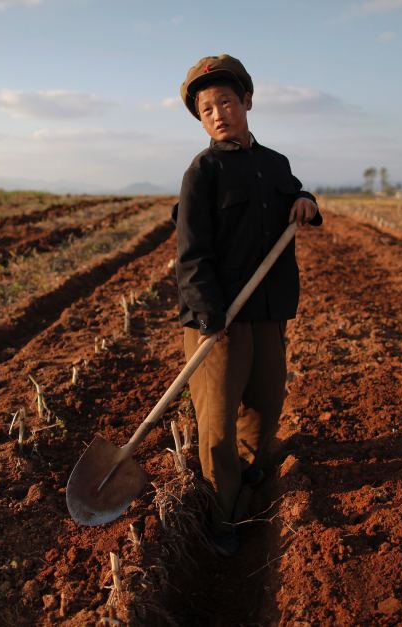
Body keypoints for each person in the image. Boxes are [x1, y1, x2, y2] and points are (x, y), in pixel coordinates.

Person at [172, 54, 322, 556]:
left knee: (267, 402)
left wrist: (305, 200)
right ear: (201, 118)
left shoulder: (275, 165)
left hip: (268, 311)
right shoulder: (202, 173)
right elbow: (191, 255)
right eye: (207, 108)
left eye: (226, 102)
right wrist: (210, 317)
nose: (217, 113)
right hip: (219, 321)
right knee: (216, 424)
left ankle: (251, 472)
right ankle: (222, 515)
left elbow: (292, 196)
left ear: (247, 102)